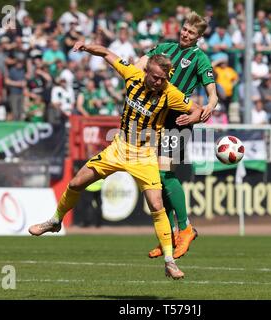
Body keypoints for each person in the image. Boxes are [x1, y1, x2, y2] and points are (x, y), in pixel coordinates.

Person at [28, 41, 203, 280]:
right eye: (155, 78)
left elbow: (197, 109)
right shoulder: (132, 75)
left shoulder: (170, 93)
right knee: (77, 182)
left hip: (145, 155)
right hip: (119, 148)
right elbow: (108, 54)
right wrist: (87, 47)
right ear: (147, 72)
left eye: (163, 79)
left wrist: (191, 118)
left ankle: (169, 261)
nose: (159, 82)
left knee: (156, 204)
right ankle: (55, 221)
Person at [135, 11, 218, 259]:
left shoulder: (200, 59)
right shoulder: (164, 48)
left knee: (163, 173)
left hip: (178, 119)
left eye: (191, 32)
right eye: (184, 29)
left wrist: (206, 109)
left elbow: (213, 94)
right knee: (156, 182)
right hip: (155, 118)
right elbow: (140, 65)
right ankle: (169, 235)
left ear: (199, 37)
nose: (185, 34)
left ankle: (185, 228)